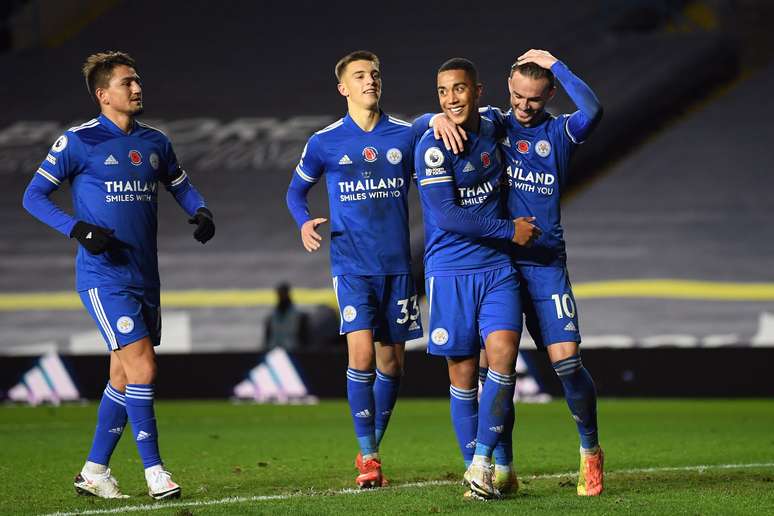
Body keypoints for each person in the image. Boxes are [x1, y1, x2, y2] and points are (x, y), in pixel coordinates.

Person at [22, 51, 215, 500]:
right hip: (103, 275)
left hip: (145, 275)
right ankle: (155, 472)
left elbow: (180, 184)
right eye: (127, 82)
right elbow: (33, 196)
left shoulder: (155, 142)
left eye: (137, 80)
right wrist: (78, 229)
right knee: (143, 365)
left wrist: (201, 209)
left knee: (124, 376)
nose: (137, 88)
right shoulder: (77, 142)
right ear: (102, 94)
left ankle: (94, 471)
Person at [432, 49, 605, 496]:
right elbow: (445, 115)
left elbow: (593, 109)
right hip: (499, 265)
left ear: (549, 95)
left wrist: (556, 63)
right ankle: (503, 468)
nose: (524, 106)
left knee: (567, 362)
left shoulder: (559, 132)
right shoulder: (494, 123)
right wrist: (436, 119)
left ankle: (590, 450)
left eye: (534, 98)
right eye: (518, 96)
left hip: (545, 265)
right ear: (508, 88)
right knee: (495, 368)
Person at [285, 50, 423, 488]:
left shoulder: (406, 135)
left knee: (392, 364)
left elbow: (434, 184)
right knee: (361, 355)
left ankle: (371, 444)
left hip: (397, 267)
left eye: (375, 74)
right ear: (343, 87)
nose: (370, 81)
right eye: (360, 75)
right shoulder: (324, 141)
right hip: (350, 265)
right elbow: (295, 192)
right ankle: (370, 458)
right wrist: (303, 221)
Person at [414, 57, 539, 500]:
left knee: (502, 360)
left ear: (478, 91)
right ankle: (479, 465)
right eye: (443, 91)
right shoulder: (432, 146)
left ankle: (490, 463)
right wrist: (509, 230)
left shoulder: (492, 124)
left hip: (497, 270)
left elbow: (529, 114)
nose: (451, 99)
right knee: (464, 376)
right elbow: (448, 216)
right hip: (450, 273)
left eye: (459, 88)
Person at [264, 282, 308, 352]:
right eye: (280, 294)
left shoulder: (298, 315)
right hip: (274, 349)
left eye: (283, 293)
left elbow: (303, 336)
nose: (281, 296)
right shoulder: (272, 315)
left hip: (293, 349)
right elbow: (269, 336)